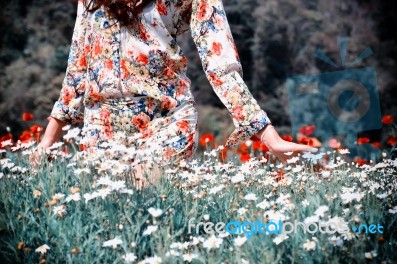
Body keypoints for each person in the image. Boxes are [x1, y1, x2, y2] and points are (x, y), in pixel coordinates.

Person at [31, 0, 317, 184]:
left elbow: (221, 64)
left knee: (147, 212)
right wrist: (48, 141)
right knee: (109, 229)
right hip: (100, 129)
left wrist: (269, 136)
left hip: (165, 123)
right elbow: (79, 64)